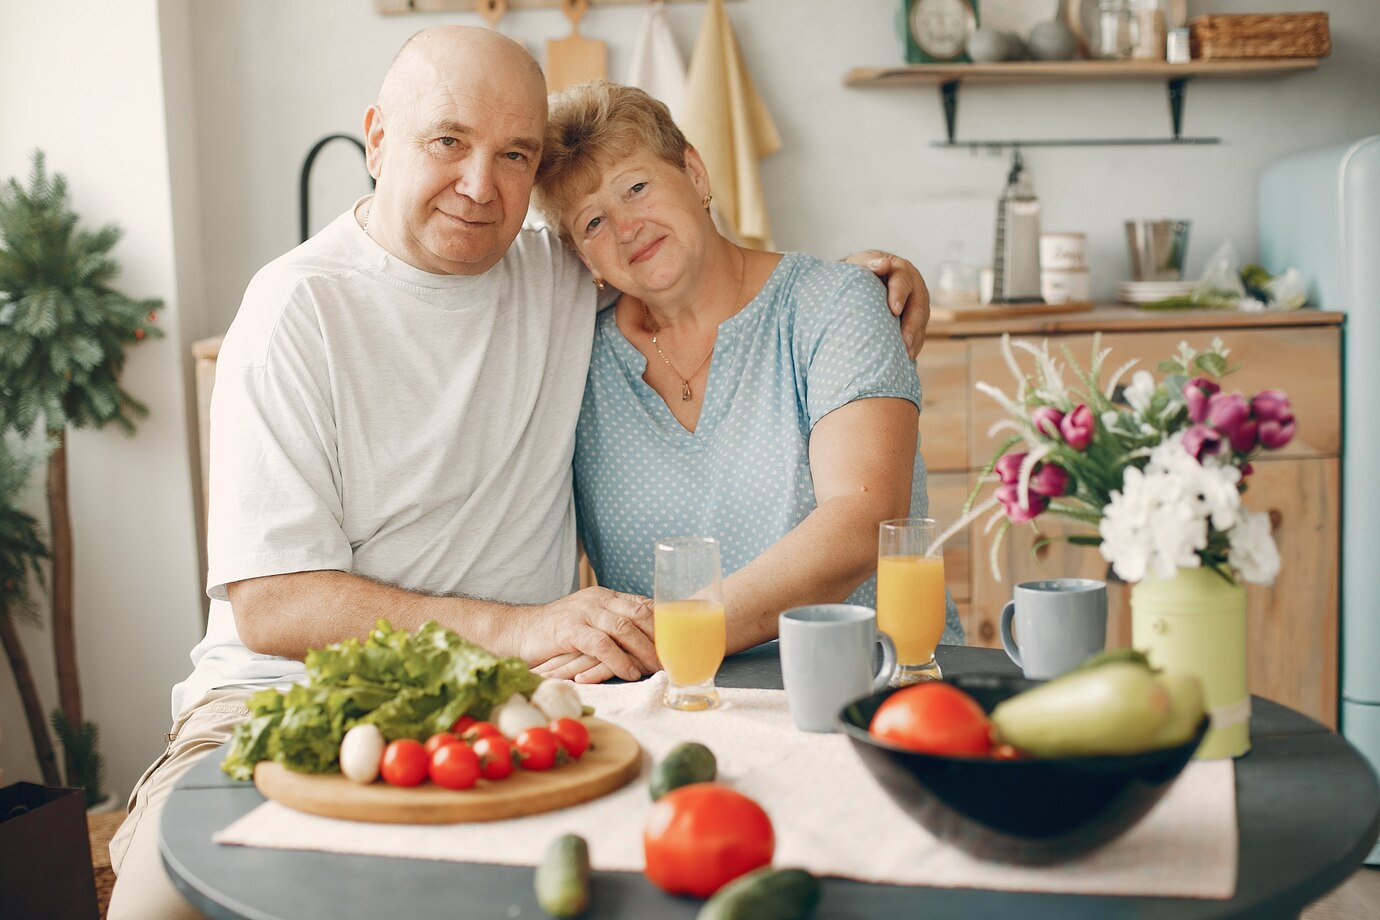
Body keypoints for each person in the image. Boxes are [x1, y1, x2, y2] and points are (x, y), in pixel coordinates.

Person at [107, 25, 932, 919]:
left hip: (511, 698)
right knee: (163, 900)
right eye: (448, 142)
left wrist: (855, 286)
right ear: (378, 139)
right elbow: (272, 605)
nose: (479, 186)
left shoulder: (559, 274)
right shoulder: (294, 311)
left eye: (514, 155)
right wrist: (521, 628)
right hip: (290, 692)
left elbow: (708, 272)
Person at [528, 82, 962, 685]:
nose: (626, 227)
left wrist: (679, 635)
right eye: (593, 221)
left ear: (695, 173)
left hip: (874, 688)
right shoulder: (574, 360)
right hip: (674, 703)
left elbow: (863, 521)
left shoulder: (834, 306)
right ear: (583, 259)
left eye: (637, 187)